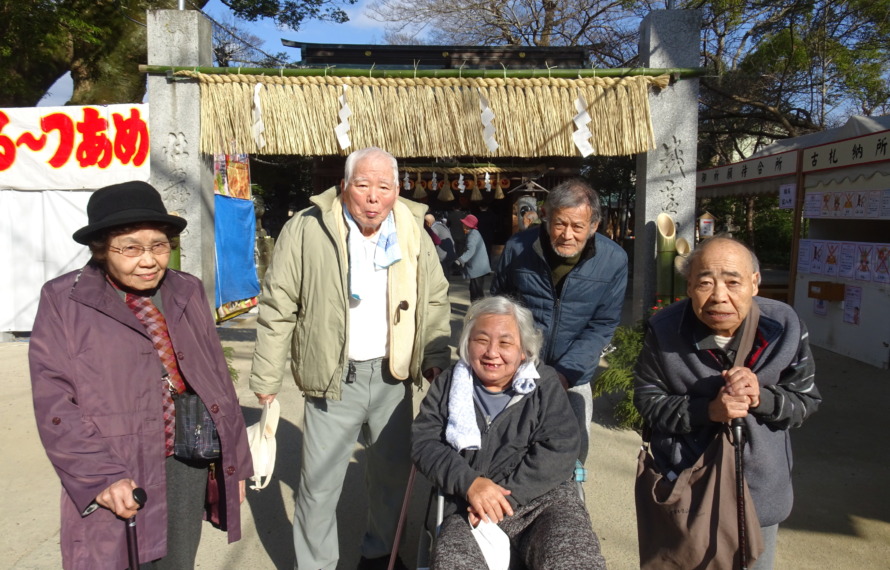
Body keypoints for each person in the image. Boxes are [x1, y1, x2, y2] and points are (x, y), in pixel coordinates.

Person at [29, 181, 252, 569]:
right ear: (101, 249)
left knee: (177, 562)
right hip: (116, 463)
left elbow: (218, 378)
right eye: (131, 247)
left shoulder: (186, 290)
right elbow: (53, 400)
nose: (148, 260)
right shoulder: (64, 300)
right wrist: (99, 475)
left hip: (185, 461)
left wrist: (236, 464)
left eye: (159, 245)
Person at [249, 147, 451, 570]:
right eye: (363, 185)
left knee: (392, 478)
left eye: (383, 186)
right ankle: (316, 564)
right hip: (333, 377)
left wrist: (434, 358)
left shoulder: (410, 228)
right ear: (344, 187)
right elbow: (278, 304)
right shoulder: (308, 227)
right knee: (319, 485)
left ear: (397, 191)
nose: (373, 197)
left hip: (393, 377)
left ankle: (380, 554)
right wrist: (267, 377)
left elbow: (433, 298)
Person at [633, 236, 821, 568]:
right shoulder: (664, 330)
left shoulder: (785, 326)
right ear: (689, 286)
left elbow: (804, 400)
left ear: (754, 283)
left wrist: (761, 398)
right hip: (688, 488)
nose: (719, 296)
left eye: (733, 282)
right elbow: (648, 403)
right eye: (705, 282)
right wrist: (707, 410)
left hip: (759, 487)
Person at [412, 296, 606, 569]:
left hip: (542, 502)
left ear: (524, 350)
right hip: (468, 505)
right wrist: (470, 483)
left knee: (573, 557)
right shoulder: (448, 383)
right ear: (467, 344)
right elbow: (425, 442)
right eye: (481, 340)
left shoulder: (544, 383)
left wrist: (504, 499)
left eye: (505, 343)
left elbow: (561, 446)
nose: (492, 352)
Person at [490, 179, 627, 461]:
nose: (567, 235)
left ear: (594, 226)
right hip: (520, 368)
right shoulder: (518, 248)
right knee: (509, 449)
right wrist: (516, 358)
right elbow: (498, 308)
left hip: (573, 374)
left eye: (577, 227)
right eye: (559, 223)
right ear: (545, 217)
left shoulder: (614, 259)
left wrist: (565, 373)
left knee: (571, 454)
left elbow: (602, 324)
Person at [456, 214, 492, 302]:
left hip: (477, 268)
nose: (462, 225)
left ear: (467, 225)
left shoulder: (472, 235)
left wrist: (460, 260)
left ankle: (478, 311)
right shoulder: (473, 233)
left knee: (476, 293)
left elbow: (470, 250)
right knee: (476, 291)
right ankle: (478, 310)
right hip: (479, 267)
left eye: (464, 223)